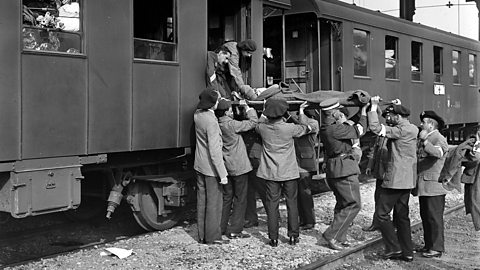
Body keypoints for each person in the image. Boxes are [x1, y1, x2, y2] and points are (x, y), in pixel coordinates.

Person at [256, 99, 313, 247]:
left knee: (272, 205)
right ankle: (293, 236)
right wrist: (300, 111)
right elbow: (306, 128)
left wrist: (264, 109)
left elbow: (259, 122)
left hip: (271, 173)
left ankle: (273, 238)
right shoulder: (290, 128)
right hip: (289, 172)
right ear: (283, 113)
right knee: (291, 204)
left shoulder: (262, 128)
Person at [368, 96, 418, 262]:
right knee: (402, 217)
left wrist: (373, 107)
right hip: (407, 181)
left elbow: (376, 128)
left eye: (392, 116)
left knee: (382, 214)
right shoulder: (412, 128)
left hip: (395, 180)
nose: (390, 119)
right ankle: (408, 251)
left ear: (397, 117)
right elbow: (388, 124)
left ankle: (393, 248)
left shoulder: (400, 131)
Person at [319, 98, 368, 251]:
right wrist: (366, 112)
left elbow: (350, 122)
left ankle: (340, 237)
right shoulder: (335, 129)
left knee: (343, 204)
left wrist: (361, 109)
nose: (341, 112)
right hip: (344, 169)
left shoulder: (328, 126)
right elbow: (359, 130)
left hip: (336, 169)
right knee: (354, 204)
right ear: (334, 112)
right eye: (339, 110)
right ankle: (331, 235)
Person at [215, 99, 258, 239]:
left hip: (226, 166)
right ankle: (235, 230)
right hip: (239, 167)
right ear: (227, 111)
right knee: (240, 199)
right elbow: (252, 122)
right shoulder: (231, 124)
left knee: (227, 197)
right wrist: (248, 108)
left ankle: (220, 228)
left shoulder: (217, 123)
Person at [193, 87, 229, 245]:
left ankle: (201, 236)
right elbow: (214, 151)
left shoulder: (197, 115)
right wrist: (222, 174)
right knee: (214, 203)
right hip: (211, 168)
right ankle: (213, 237)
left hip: (199, 164)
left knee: (202, 201)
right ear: (212, 104)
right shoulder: (211, 122)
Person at [414, 110, 449, 258]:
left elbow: (438, 153)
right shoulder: (428, 137)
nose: (421, 124)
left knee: (434, 217)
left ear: (430, 125)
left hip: (434, 186)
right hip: (425, 185)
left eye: (424, 122)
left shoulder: (438, 138)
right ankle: (429, 245)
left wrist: (425, 142)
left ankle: (436, 248)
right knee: (426, 216)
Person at [362, 108, 394, 232]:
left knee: (391, 201)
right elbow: (373, 151)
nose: (388, 119)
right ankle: (377, 223)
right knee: (378, 197)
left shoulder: (396, 132)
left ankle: (390, 224)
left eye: (390, 116)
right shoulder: (381, 133)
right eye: (386, 116)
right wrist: (370, 165)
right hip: (380, 171)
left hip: (390, 172)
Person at [292, 109, 319, 230]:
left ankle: (309, 221)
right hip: (297, 164)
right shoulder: (298, 124)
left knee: (305, 194)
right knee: (299, 194)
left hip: (305, 164)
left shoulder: (313, 123)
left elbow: (303, 127)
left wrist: (301, 111)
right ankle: (303, 220)